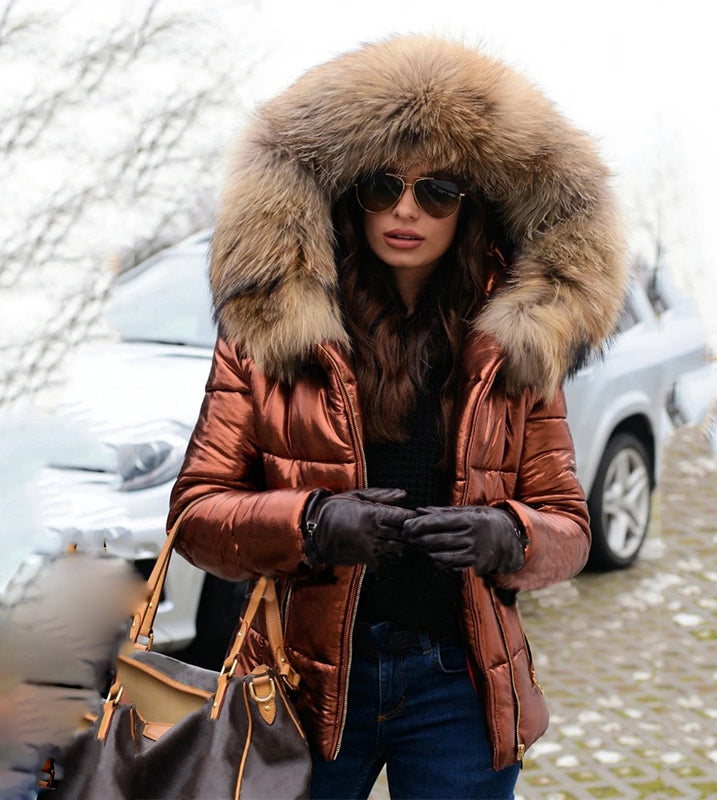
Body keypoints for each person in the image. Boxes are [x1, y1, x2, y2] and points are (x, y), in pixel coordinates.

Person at [168, 35, 627, 800]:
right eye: (384, 186)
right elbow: (196, 514)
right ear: (353, 193)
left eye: (437, 191)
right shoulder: (274, 332)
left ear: (469, 205)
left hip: (458, 679)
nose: (406, 209)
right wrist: (311, 524)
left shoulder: (512, 343)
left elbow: (569, 527)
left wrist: (508, 535)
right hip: (297, 680)